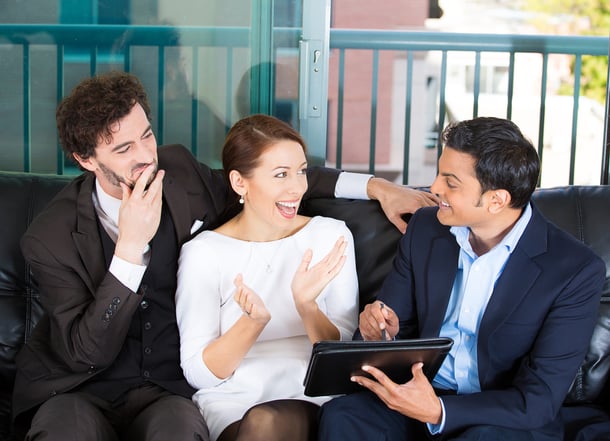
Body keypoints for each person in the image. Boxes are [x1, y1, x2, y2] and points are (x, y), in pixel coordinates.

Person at [11, 70, 436, 441]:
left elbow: (267, 176)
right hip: (79, 387)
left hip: (165, 387)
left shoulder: (177, 172)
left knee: (178, 431)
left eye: (146, 136)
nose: (145, 156)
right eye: (123, 150)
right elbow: (87, 352)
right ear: (86, 159)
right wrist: (128, 251)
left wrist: (378, 188)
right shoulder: (49, 237)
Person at [318, 117, 606, 441]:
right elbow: (388, 329)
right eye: (439, 174)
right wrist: (380, 333)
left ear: (496, 200)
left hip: (499, 416)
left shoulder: (574, 270)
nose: (434, 188)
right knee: (344, 416)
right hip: (418, 395)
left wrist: (440, 412)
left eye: (450, 182)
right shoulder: (425, 229)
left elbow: (538, 400)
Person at [175, 114, 359, 441]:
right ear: (239, 182)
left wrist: (308, 307)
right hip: (235, 398)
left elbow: (340, 350)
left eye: (301, 171)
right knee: (260, 423)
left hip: (310, 391)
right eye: (280, 175)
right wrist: (251, 323)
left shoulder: (330, 236)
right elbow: (199, 373)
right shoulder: (204, 252)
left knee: (267, 422)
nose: (296, 187)